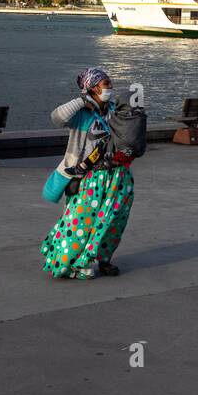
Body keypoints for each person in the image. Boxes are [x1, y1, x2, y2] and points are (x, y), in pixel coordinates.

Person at [40, 67, 135, 281]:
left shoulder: (114, 110)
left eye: (109, 83)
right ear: (92, 87)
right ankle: (67, 262)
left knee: (112, 221)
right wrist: (82, 101)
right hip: (88, 176)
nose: (110, 87)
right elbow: (56, 117)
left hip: (117, 175)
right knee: (79, 223)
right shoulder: (81, 115)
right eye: (105, 84)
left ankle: (103, 259)